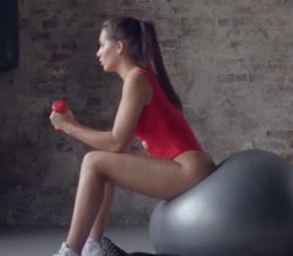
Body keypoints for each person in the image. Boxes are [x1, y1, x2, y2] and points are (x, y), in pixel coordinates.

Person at [49, 17, 216, 256]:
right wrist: (71, 125)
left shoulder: (137, 78)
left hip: (188, 171)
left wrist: (68, 126)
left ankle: (69, 252)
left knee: (93, 161)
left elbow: (117, 142)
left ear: (119, 47)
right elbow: (116, 146)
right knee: (103, 163)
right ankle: (91, 247)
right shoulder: (139, 78)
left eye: (102, 45)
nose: (97, 53)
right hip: (188, 168)